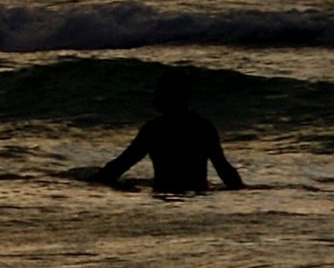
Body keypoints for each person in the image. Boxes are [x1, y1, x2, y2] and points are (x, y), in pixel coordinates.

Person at [89, 69, 242, 196]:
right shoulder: (203, 126)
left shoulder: (155, 128)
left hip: (164, 195)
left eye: (159, 91)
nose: (155, 96)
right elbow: (224, 170)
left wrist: (87, 183)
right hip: (197, 197)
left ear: (167, 96)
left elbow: (121, 165)